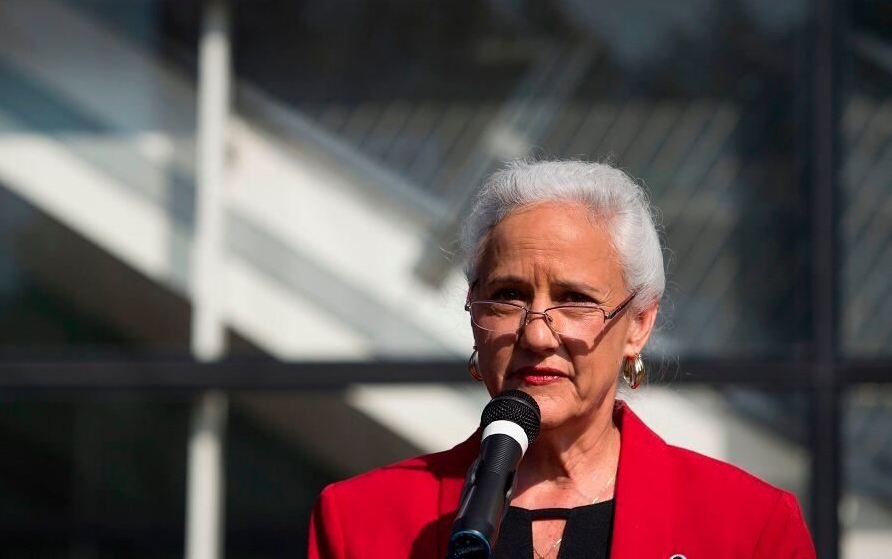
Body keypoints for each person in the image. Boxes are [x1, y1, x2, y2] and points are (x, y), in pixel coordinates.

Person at [308, 159, 815, 559]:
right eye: (508, 295)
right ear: (472, 313)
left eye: (574, 299)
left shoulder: (747, 528)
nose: (536, 333)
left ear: (639, 322)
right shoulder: (361, 520)